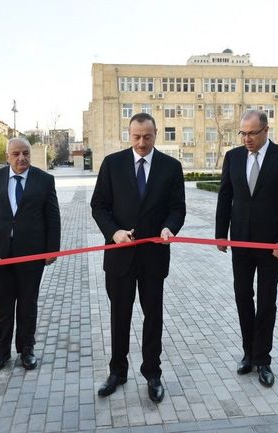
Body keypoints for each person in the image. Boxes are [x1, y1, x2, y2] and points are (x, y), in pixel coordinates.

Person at [91, 112, 186, 403]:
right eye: (136, 137)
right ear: (129, 135)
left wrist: (170, 227)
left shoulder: (171, 167)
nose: (142, 143)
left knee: (153, 317)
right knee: (119, 316)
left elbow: (177, 208)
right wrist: (114, 232)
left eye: (147, 137)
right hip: (119, 257)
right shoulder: (112, 164)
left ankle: (152, 373)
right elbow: (99, 206)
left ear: (156, 134)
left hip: (153, 257)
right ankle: (117, 372)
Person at [215, 110, 278, 388]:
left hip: (271, 245)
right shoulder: (233, 157)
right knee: (243, 296)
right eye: (242, 133)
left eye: (252, 133)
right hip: (240, 241)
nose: (246, 139)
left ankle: (263, 359)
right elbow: (225, 195)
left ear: (266, 130)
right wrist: (221, 234)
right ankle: (248, 353)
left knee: (266, 301)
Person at [0, 137, 61, 371]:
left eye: (25, 153)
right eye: (16, 154)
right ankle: (1, 352)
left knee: (27, 305)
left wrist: (52, 249)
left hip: (31, 254)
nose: (21, 158)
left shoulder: (44, 180)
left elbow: (53, 218)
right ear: (7, 157)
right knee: (3, 306)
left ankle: (26, 349)